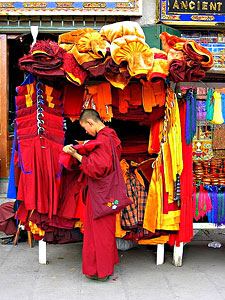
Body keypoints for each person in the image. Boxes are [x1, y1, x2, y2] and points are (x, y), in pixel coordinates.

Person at [63, 109, 122, 281]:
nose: (86, 132)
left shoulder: (103, 139)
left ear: (90, 123)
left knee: (98, 232)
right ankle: (106, 267)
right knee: (106, 231)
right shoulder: (112, 136)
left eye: (86, 128)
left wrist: (76, 155)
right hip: (110, 193)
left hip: (100, 194)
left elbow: (98, 168)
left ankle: (100, 272)